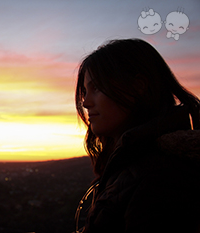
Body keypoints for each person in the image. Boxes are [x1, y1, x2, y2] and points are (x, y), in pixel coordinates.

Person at [74, 38, 200, 233]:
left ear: (137, 87)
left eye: (96, 87)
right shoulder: (131, 166)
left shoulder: (161, 179)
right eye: (85, 91)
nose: (85, 102)